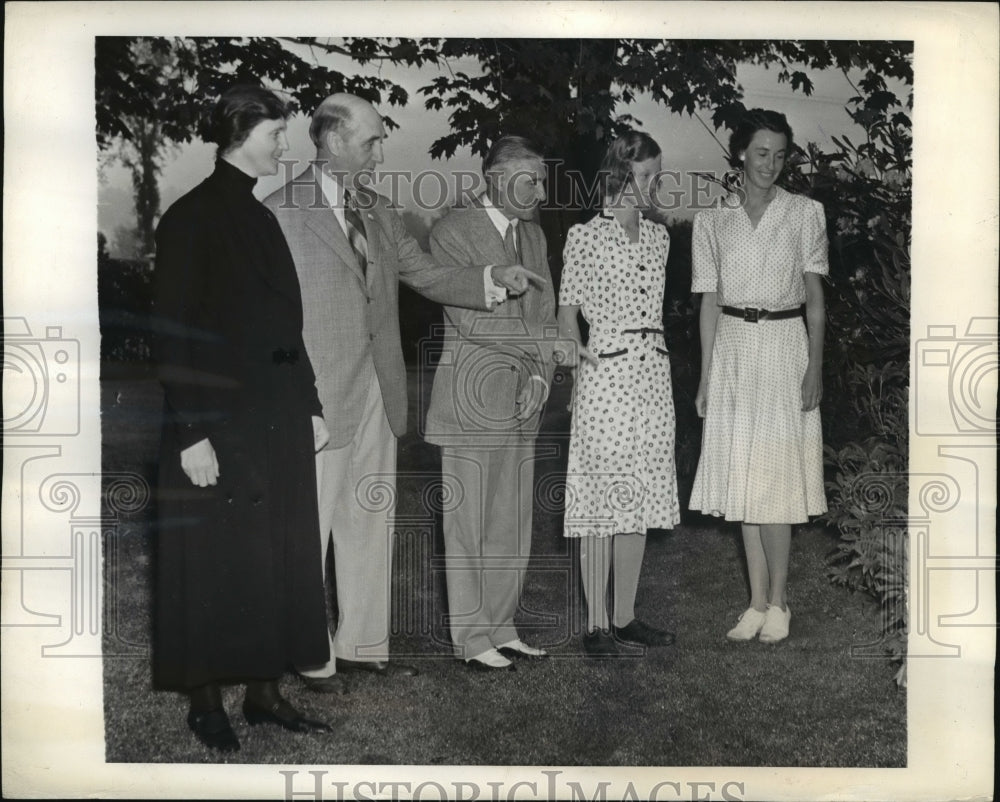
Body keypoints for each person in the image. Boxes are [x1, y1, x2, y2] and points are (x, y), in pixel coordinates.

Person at [262, 94, 544, 690]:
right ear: (334, 141)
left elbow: (425, 272)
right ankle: (308, 654)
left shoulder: (378, 209)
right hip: (316, 393)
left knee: (368, 518)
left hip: (379, 388)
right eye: (372, 141)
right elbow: (267, 317)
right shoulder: (282, 211)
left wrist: (493, 278)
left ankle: (362, 645)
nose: (382, 152)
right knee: (308, 525)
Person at [152, 84, 333, 752]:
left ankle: (263, 694)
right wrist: (192, 432)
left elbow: (285, 327)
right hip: (217, 424)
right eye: (275, 133)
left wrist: (309, 401)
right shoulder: (191, 218)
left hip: (277, 420)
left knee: (274, 558)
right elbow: (172, 335)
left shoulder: (259, 216)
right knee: (210, 563)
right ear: (239, 131)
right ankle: (206, 705)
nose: (284, 145)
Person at [690, 108, 828, 644]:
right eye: (761, 152)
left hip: (784, 346)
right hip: (732, 349)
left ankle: (781, 602)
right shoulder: (713, 220)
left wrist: (815, 365)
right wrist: (705, 376)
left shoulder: (804, 212)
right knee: (743, 476)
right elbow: (708, 303)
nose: (770, 163)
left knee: (776, 476)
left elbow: (815, 301)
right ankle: (754, 602)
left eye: (780, 153)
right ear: (741, 153)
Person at [423, 136, 557, 671]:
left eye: (542, 179)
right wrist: (543, 354)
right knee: (468, 525)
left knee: (511, 521)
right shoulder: (452, 231)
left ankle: (503, 627)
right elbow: (472, 319)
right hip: (471, 399)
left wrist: (541, 379)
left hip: (523, 397)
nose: (540, 190)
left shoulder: (535, 235)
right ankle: (472, 639)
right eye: (530, 179)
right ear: (495, 178)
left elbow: (543, 313)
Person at [557, 131, 681, 657]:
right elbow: (567, 309)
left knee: (642, 492)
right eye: (644, 175)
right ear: (618, 174)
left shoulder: (660, 239)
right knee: (601, 498)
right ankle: (595, 626)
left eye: (656, 174)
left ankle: (626, 617)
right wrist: (575, 350)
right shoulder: (584, 236)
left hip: (653, 373)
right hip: (606, 371)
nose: (652, 185)